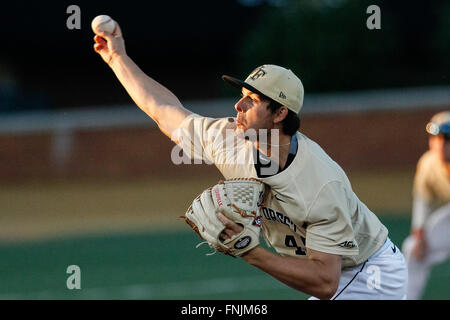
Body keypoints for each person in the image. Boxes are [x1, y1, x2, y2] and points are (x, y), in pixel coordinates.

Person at [93, 20, 408, 300]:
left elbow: (326, 283)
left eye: (252, 100)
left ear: (280, 114)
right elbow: (163, 110)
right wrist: (117, 58)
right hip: (333, 272)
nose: (238, 105)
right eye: (242, 93)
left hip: (370, 275)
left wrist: (251, 252)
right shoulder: (231, 139)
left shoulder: (321, 184)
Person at [401, 111, 450, 300]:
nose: (440, 144)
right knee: (413, 248)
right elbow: (423, 201)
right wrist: (420, 235)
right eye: (436, 137)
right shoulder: (429, 163)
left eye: (446, 138)